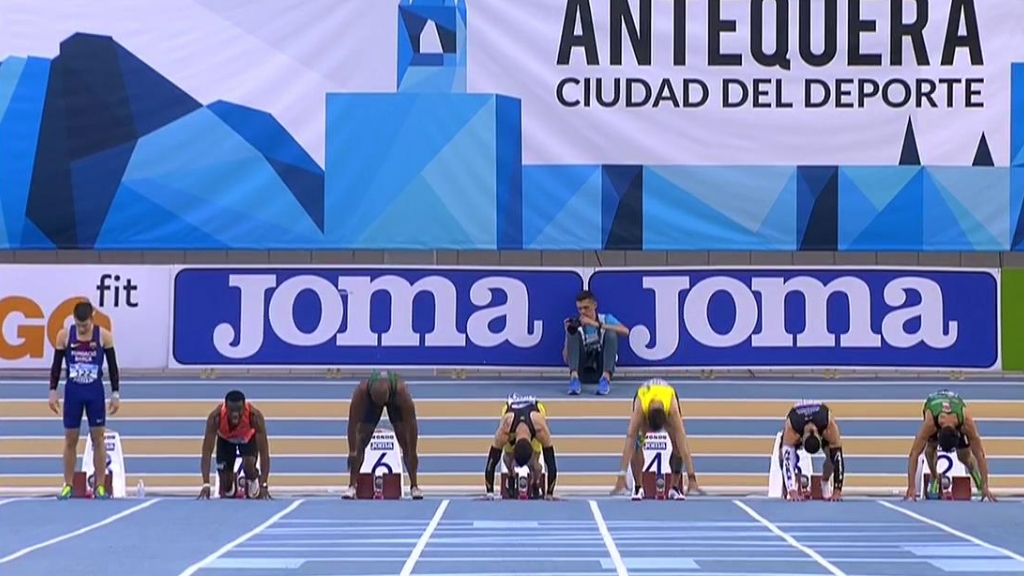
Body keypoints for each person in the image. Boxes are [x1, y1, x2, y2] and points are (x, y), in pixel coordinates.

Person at [49, 301, 121, 500]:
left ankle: (99, 486)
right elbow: (56, 367)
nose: (82, 329)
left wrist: (115, 394)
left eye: (86, 325)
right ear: (74, 320)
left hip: (94, 392)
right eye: (79, 326)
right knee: (70, 439)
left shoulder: (104, 336)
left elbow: (113, 368)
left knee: (98, 438)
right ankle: (68, 485)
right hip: (73, 392)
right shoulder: (64, 336)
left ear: (93, 318)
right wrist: (52, 390)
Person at [611, 379, 699, 499]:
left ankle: (674, 488)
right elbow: (630, 438)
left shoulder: (672, 411)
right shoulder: (641, 409)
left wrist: (692, 479)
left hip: (667, 395)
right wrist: (621, 477)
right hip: (644, 395)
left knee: (678, 444)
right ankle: (638, 487)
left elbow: (683, 443)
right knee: (638, 443)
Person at [342, 370, 422, 499]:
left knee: (406, 444)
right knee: (360, 440)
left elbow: (411, 424)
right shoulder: (361, 393)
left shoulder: (401, 393)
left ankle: (414, 486)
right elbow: (352, 424)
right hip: (370, 403)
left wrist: (413, 450)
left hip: (394, 402)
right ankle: (352, 486)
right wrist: (352, 450)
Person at [904, 390, 996, 501]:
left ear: (958, 433)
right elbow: (914, 454)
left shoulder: (966, 423)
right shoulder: (930, 424)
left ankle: (980, 484)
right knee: (930, 450)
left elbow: (980, 454)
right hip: (935, 408)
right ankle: (935, 476)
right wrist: (911, 487)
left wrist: (986, 484)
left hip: (954, 405)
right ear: (937, 433)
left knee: (964, 456)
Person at [197, 390, 272, 499]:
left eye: (239, 410)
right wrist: (206, 484)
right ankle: (231, 482)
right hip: (225, 439)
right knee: (226, 486)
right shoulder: (215, 418)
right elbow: (207, 451)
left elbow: (264, 452)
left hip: (247, 437)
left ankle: (253, 477)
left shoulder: (254, 417)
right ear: (225, 408)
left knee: (249, 466)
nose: (235, 414)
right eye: (231, 410)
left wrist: (264, 484)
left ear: (245, 407)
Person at [483, 394, 559, 499]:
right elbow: (492, 461)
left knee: (535, 463)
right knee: (508, 458)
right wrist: (489, 493)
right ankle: (511, 475)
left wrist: (550, 493)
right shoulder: (505, 429)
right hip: (511, 412)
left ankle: (536, 482)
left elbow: (550, 463)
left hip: (534, 413)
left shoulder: (540, 428)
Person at [565, 290, 630, 396]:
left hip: (601, 366)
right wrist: (568, 335)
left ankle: (605, 379)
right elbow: (566, 358)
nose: (583, 312)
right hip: (583, 368)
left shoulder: (605, 318)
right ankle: (574, 380)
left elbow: (626, 331)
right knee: (572, 333)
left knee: (611, 333)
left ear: (594, 305)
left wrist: (595, 324)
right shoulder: (576, 325)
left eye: (586, 308)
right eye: (579, 309)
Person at [779, 400, 844, 501]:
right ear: (801, 439)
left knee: (832, 454)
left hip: (820, 417)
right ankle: (787, 487)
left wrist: (837, 491)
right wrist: (792, 491)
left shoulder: (828, 426)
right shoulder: (793, 429)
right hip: (798, 419)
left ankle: (825, 481)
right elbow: (787, 460)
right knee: (782, 456)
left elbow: (838, 458)